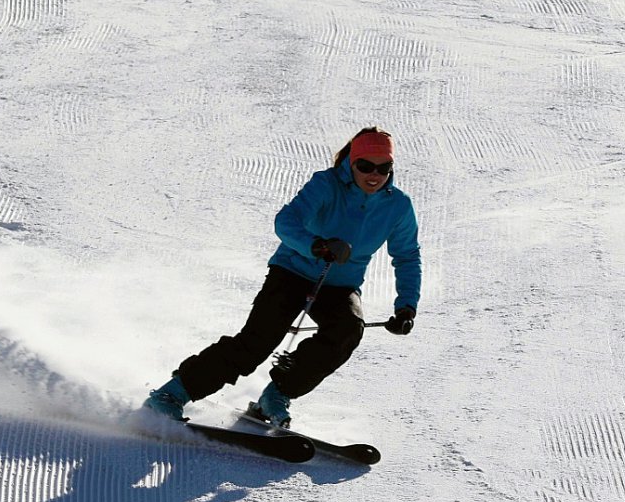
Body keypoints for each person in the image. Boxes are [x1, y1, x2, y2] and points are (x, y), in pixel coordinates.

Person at [144, 126, 421, 427]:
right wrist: (317, 245)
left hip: (339, 285)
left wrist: (406, 306)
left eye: (384, 167)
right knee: (256, 343)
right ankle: (173, 393)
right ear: (351, 162)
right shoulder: (326, 184)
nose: (375, 174)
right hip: (293, 270)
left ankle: (275, 396)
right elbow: (285, 221)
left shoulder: (398, 206)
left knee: (347, 330)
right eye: (365, 165)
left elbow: (407, 256)